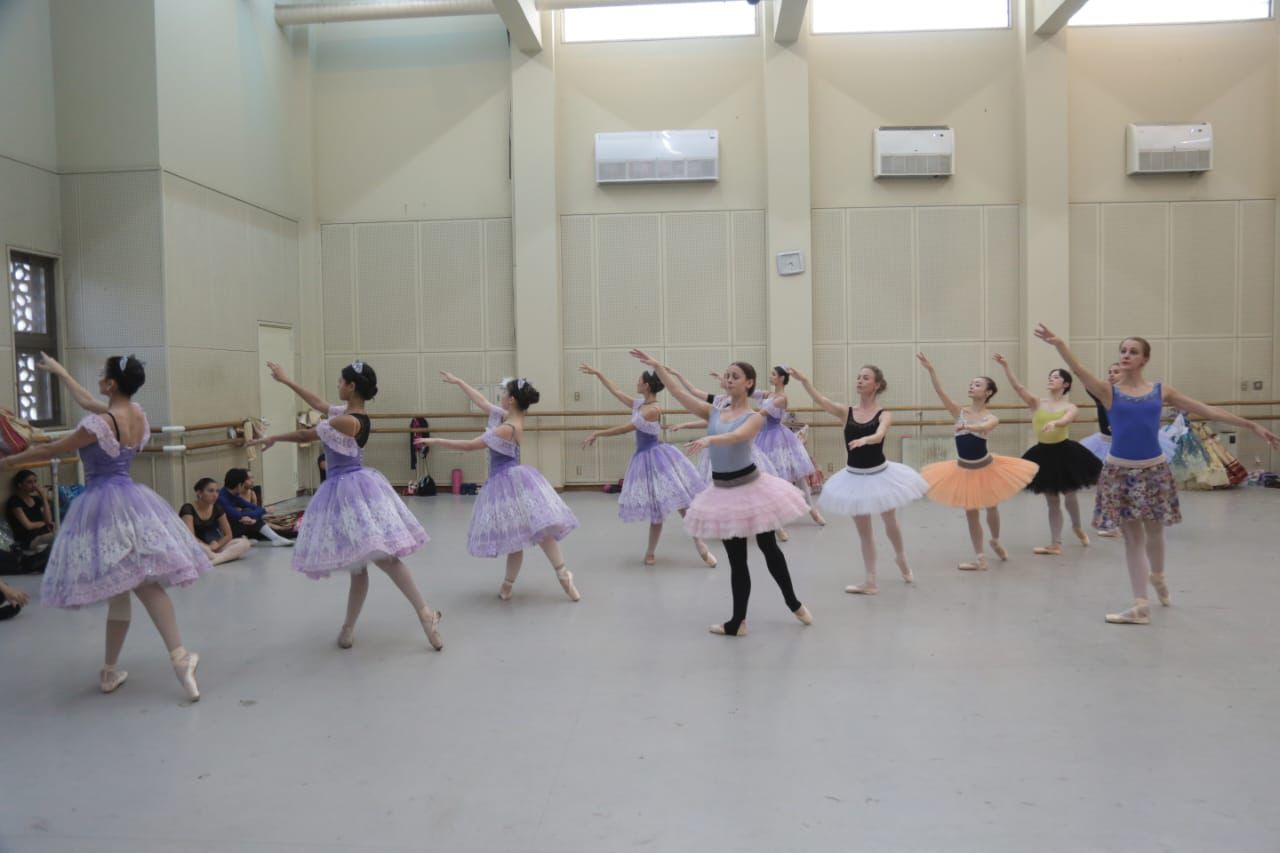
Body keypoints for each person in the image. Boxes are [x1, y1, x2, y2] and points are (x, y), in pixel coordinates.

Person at [1034, 325, 1280, 624]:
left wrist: (1252, 425)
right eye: (1123, 351)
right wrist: (1059, 344)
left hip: (1153, 470)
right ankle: (1141, 604)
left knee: (1155, 532)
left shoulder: (1161, 391)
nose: (1126, 355)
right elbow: (1079, 369)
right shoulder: (1108, 392)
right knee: (1132, 538)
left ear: (1145, 359)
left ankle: (1159, 577)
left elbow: (1207, 410)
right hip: (1120, 471)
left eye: (1133, 352)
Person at [4, 353, 211, 699]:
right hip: (130, 500)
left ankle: (180, 659)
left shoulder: (97, 425)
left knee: (143, 583)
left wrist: (9, 461)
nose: (99, 378)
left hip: (104, 506)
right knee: (121, 591)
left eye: (103, 374)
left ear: (112, 383)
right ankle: (110, 670)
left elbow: (51, 450)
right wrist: (61, 372)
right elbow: (88, 400)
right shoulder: (136, 414)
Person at [256, 359, 442, 650]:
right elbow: (318, 403)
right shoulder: (350, 414)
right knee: (364, 566)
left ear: (352, 386)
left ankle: (423, 614)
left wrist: (274, 438)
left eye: (341, 382)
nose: (338, 385)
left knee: (383, 560)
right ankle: (350, 629)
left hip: (348, 492)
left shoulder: (345, 421)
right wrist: (286, 380)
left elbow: (306, 434)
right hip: (351, 489)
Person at [631, 350, 811, 637]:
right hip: (724, 493)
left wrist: (710, 439)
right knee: (737, 561)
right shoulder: (714, 412)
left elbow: (738, 436)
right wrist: (658, 367)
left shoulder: (755, 417)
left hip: (752, 489)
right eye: (727, 375)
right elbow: (678, 393)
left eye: (735, 376)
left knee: (769, 548)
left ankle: (794, 603)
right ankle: (738, 622)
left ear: (749, 383)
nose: (728, 380)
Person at [420, 373, 580, 601]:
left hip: (507, 483)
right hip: (512, 481)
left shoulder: (506, 428)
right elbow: (483, 402)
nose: (501, 395)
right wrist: (460, 382)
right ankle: (517, 584)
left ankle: (561, 577)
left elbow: (469, 446)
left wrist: (435, 440)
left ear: (512, 400)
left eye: (504, 392)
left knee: (532, 534)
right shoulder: (509, 418)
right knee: (524, 536)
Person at [789, 365, 928, 594]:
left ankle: (901, 557)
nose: (860, 381)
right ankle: (870, 581)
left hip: (881, 475)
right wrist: (804, 381)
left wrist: (866, 440)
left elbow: (880, 434)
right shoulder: (846, 412)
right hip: (854, 478)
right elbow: (821, 400)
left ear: (877, 385)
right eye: (858, 377)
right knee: (865, 533)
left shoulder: (884, 414)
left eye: (866, 378)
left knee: (890, 521)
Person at [579, 363, 714, 567]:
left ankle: (701, 545)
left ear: (647, 385)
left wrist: (598, 433)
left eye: (639, 380)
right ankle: (650, 553)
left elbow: (625, 428)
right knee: (656, 510)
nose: (636, 383)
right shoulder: (640, 404)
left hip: (659, 459)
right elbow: (617, 392)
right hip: (645, 460)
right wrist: (599, 374)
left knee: (682, 505)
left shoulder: (652, 410)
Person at [916, 353, 1039, 571]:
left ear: (988, 392)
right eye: (971, 384)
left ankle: (996, 540)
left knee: (992, 507)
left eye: (978, 384)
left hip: (986, 467)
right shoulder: (959, 412)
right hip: (963, 469)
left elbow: (985, 427)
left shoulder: (991, 417)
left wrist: (968, 427)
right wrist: (931, 370)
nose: (972, 386)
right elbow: (940, 392)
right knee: (971, 513)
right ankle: (980, 558)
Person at [992, 354, 1102, 555]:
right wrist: (1006, 366)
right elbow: (1018, 387)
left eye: (1056, 377)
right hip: (1043, 454)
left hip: (1066, 453)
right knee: (1052, 500)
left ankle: (1077, 526)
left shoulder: (1070, 407)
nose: (1051, 379)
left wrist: (1055, 423)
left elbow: (1067, 420)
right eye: (1050, 376)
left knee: (1070, 494)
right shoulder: (1036, 403)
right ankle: (1055, 543)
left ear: (1066, 384)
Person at [180, 478, 252, 566]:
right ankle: (223, 557)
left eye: (217, 491)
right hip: (196, 546)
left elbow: (228, 535)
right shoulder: (188, 508)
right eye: (211, 491)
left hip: (213, 545)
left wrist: (217, 544)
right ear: (199, 493)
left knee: (245, 543)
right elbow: (190, 537)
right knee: (200, 547)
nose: (215, 495)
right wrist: (207, 547)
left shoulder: (217, 508)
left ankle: (213, 561)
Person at [217, 468, 295, 545]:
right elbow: (236, 515)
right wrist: (263, 511)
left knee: (249, 512)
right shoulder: (222, 498)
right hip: (224, 532)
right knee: (247, 514)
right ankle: (276, 538)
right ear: (239, 485)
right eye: (244, 485)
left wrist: (255, 517)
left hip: (241, 523)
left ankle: (277, 538)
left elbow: (253, 507)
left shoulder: (234, 495)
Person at [6, 469, 56, 551]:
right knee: (59, 536)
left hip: (43, 533)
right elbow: (28, 526)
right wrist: (45, 523)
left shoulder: (36, 499)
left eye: (35, 481)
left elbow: (48, 520)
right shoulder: (15, 502)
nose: (34, 485)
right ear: (20, 485)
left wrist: (43, 497)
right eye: (29, 482)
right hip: (29, 539)